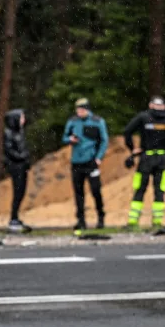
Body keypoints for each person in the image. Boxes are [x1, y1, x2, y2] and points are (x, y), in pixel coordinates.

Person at [122, 96, 165, 229]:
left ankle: (133, 222)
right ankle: (157, 222)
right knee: (159, 191)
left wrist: (133, 149)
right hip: (162, 160)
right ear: (164, 106)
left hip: (145, 158)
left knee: (140, 189)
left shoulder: (143, 117)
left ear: (151, 105)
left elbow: (127, 131)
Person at [62, 97, 109, 230]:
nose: (80, 112)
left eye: (82, 109)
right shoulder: (72, 121)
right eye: (78, 109)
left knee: (95, 190)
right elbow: (64, 137)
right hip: (76, 162)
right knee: (78, 192)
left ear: (88, 109)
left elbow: (104, 141)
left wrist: (99, 157)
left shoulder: (98, 121)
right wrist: (70, 139)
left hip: (91, 161)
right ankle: (81, 220)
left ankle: (101, 216)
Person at [3, 109, 31, 232]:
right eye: (21, 118)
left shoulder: (20, 132)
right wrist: (21, 156)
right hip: (16, 166)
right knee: (17, 191)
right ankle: (13, 217)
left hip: (23, 165)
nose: (23, 120)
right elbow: (9, 150)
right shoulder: (8, 133)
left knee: (21, 191)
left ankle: (16, 216)